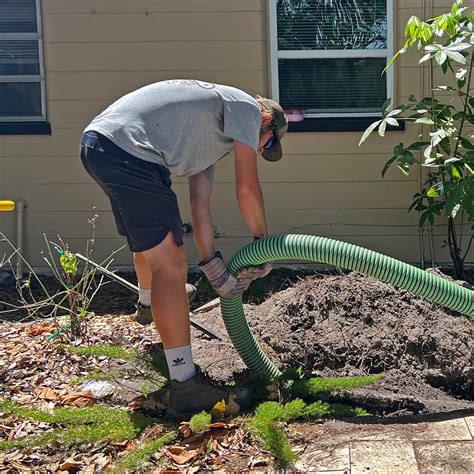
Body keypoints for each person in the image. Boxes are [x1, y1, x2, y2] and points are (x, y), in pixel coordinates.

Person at [79, 79, 288, 420]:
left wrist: (213, 267)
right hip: (128, 150)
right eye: (266, 147)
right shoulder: (248, 109)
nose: (260, 151)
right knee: (171, 262)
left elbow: (199, 204)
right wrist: (261, 245)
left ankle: (148, 305)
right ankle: (185, 387)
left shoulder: (204, 141)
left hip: (103, 145)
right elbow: (247, 188)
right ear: (267, 123)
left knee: (153, 247)